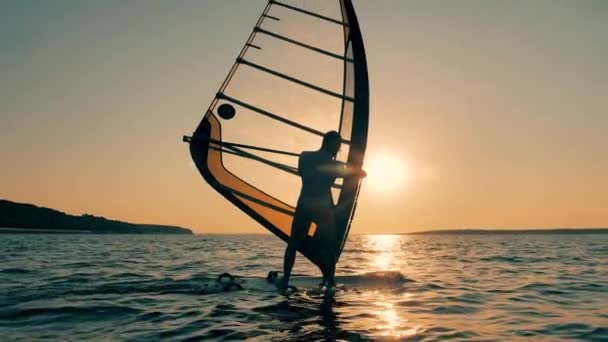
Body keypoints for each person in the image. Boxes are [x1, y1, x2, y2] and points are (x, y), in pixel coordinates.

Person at [278, 130, 366, 290]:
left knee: (293, 244)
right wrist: (357, 171)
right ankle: (329, 282)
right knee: (329, 246)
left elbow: (302, 173)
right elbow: (359, 173)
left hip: (304, 204)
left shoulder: (304, 156)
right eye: (338, 146)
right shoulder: (335, 165)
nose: (338, 150)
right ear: (331, 144)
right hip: (322, 209)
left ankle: (285, 279)